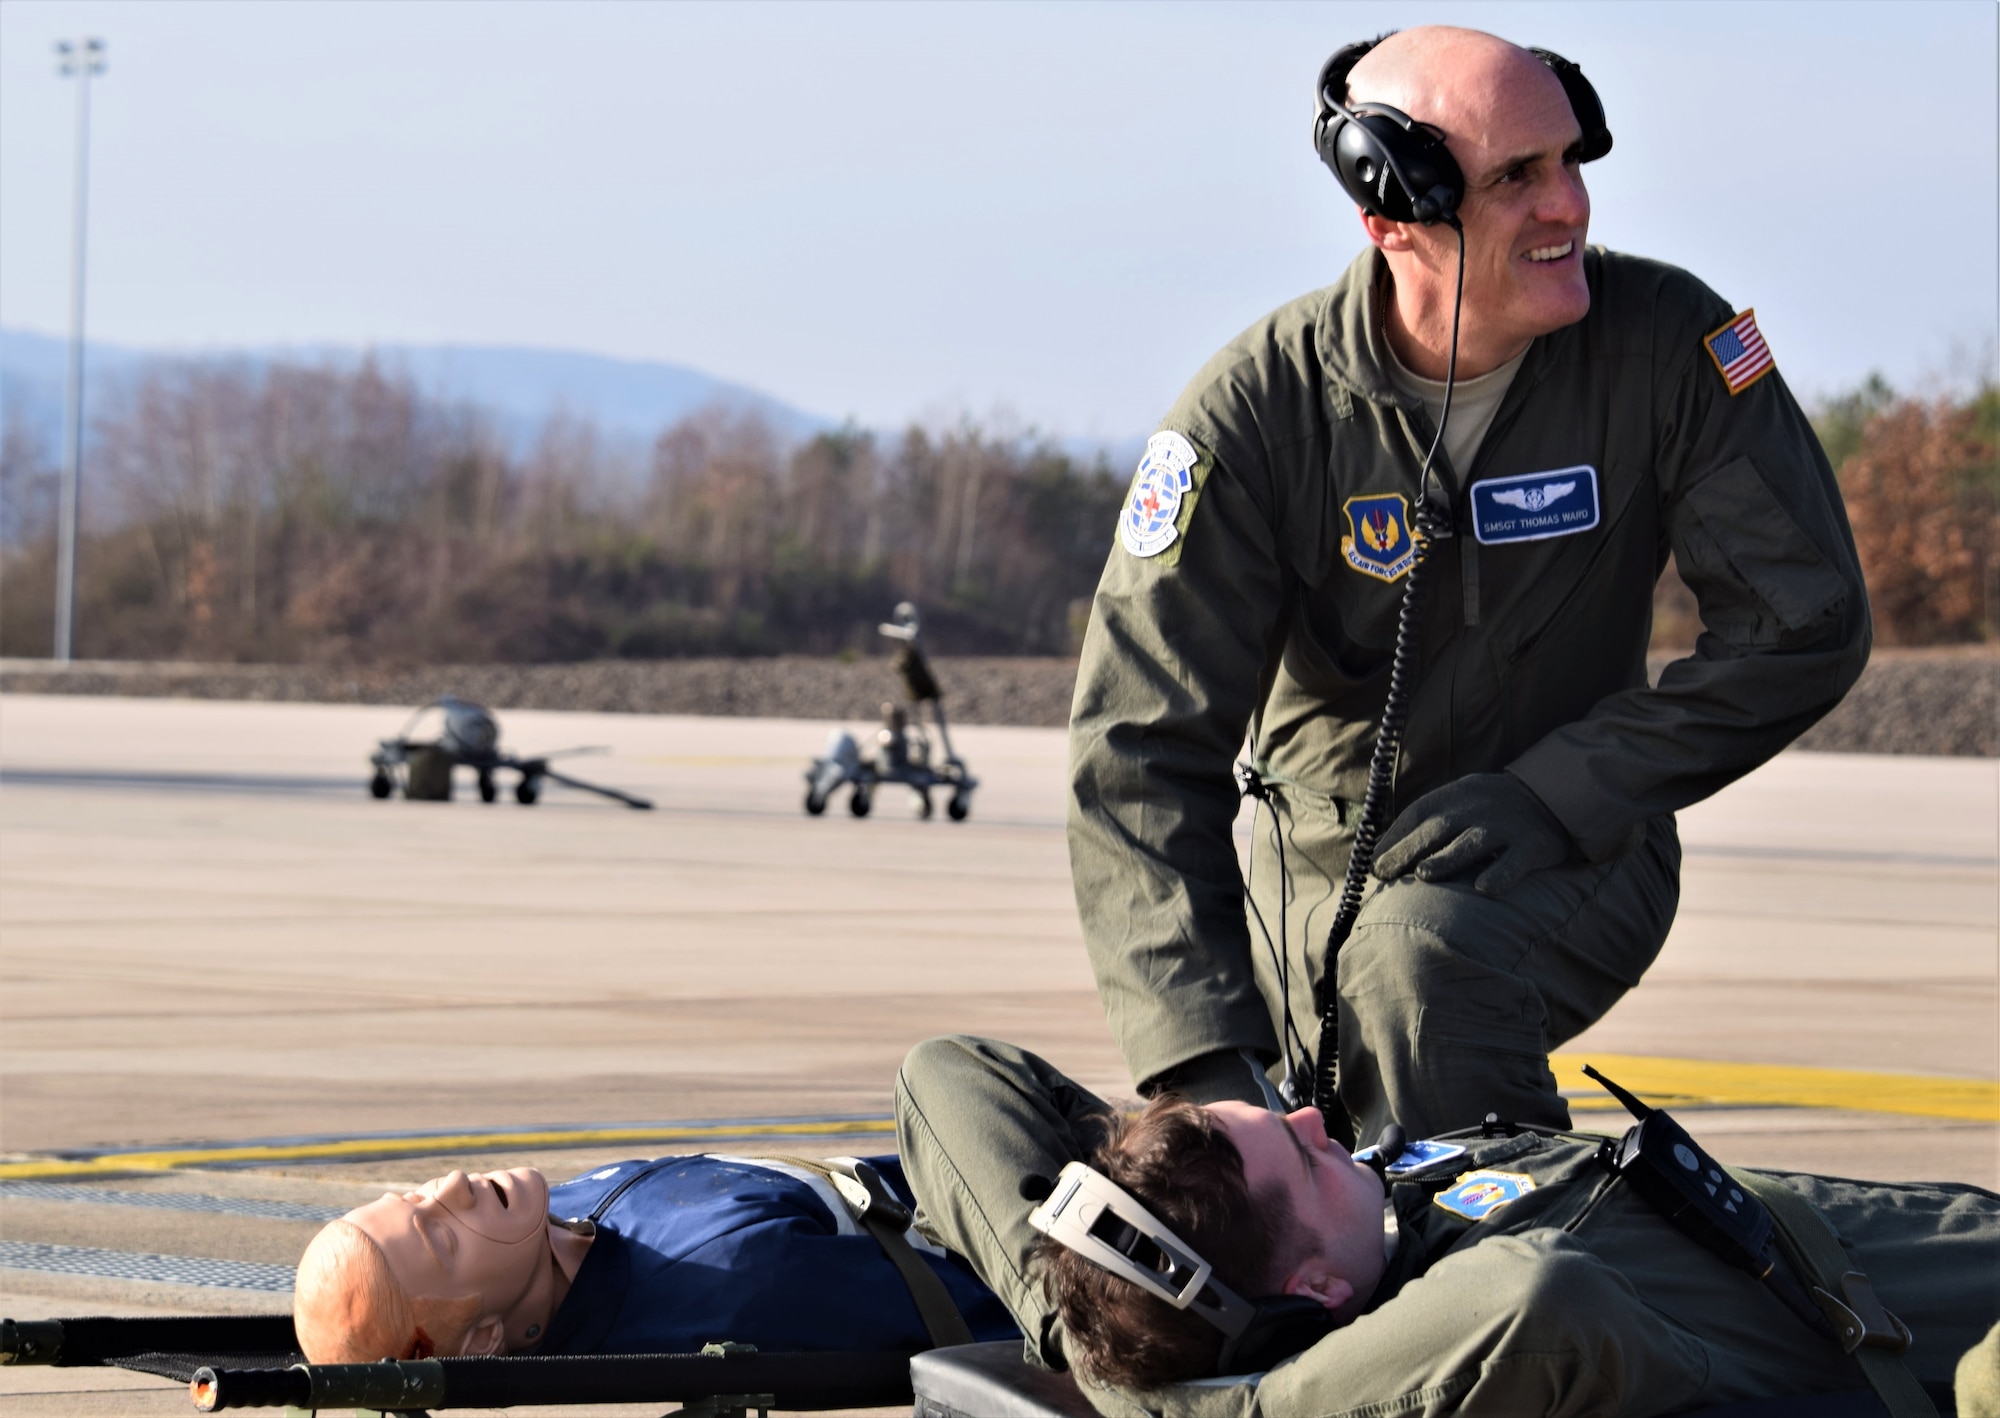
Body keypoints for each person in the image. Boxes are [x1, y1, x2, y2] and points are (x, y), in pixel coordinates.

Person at [1068, 24, 1870, 1144]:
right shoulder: (1253, 413)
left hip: (1571, 855)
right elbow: (1136, 748)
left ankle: (1542, 1290)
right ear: (1389, 213)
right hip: (1315, 892)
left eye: (1568, 161)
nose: (1567, 208)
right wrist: (1202, 1059)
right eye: (1512, 180)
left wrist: (1561, 789)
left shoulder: (1666, 344)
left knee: (1415, 972)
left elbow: (1803, 620)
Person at [895, 1034, 2000, 1416]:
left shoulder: (1310, 1256)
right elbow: (1528, 1297)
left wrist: (1078, 1308)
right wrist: (1186, 1399)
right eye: (1304, 1155)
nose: (1316, 1119)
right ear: (1318, 1293)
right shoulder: (1478, 1316)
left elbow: (948, 1071)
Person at [292, 1151, 1015, 1363]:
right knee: (938, 1067)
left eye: (417, 1195)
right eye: (443, 1236)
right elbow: (988, 1305)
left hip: (977, 1169)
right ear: (484, 1339)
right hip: (1028, 1203)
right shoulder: (728, 1271)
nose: (451, 1184)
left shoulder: (554, 1224)